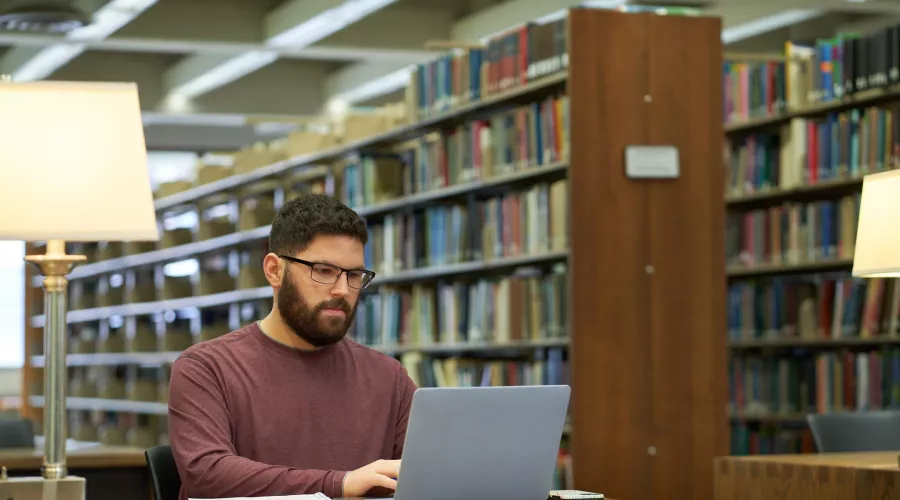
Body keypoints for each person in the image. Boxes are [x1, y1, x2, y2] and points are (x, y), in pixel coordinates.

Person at [167, 193, 418, 500]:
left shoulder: (389, 377)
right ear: (275, 271)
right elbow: (206, 475)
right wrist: (338, 485)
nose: (342, 290)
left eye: (354, 275)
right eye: (324, 270)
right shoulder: (206, 368)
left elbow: (426, 473)